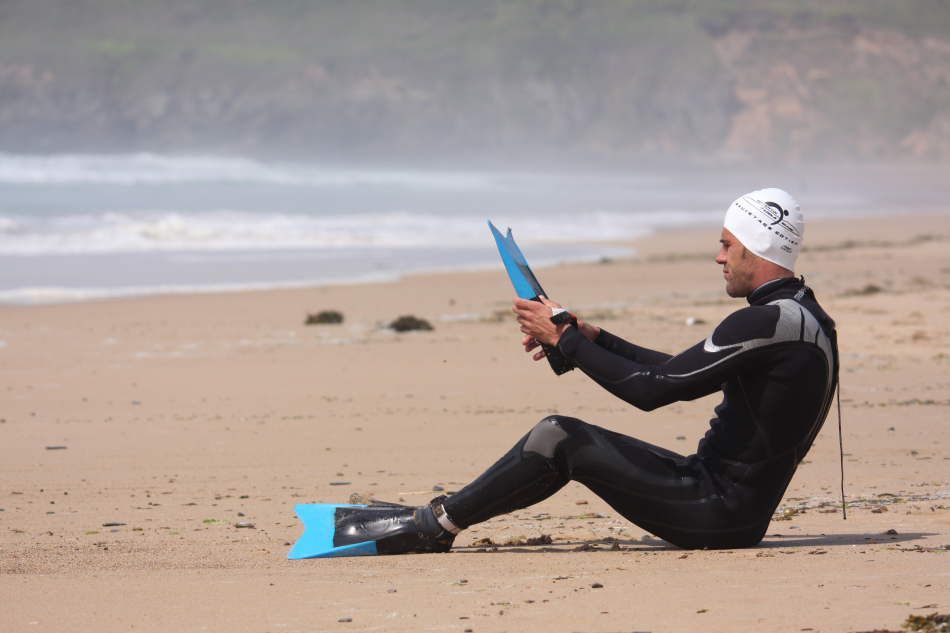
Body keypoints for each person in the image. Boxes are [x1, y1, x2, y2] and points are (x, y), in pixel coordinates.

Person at [332, 188, 839, 553]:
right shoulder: (803, 318)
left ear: (755, 248)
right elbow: (676, 373)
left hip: (716, 510)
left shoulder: (766, 322)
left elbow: (652, 392)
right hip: (722, 500)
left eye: (728, 245)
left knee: (559, 437)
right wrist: (591, 338)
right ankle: (438, 519)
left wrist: (565, 340)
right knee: (563, 441)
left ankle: (434, 525)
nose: (718, 256)